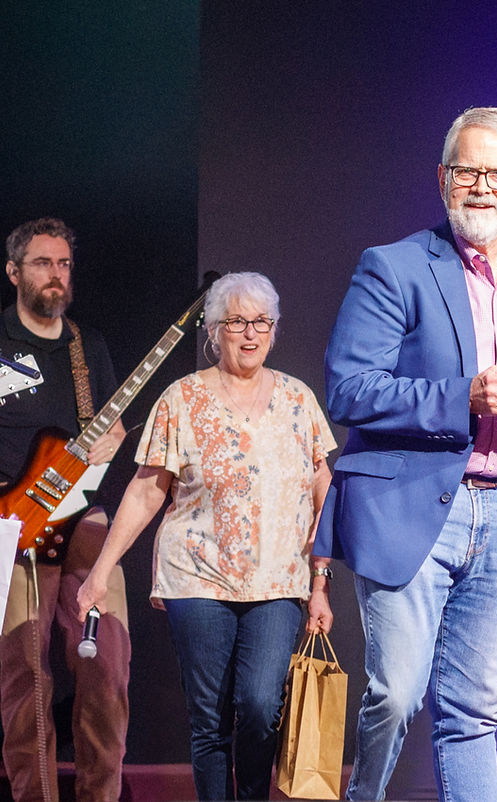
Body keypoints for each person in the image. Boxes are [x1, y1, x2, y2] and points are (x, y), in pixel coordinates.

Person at [313, 106, 497, 802]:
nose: (481, 187)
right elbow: (348, 388)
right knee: (398, 694)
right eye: (467, 171)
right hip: (408, 506)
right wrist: (462, 397)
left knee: (473, 712)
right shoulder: (395, 266)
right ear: (442, 178)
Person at [76, 272, 336, 801]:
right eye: (236, 321)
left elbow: (321, 487)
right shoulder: (181, 398)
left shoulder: (298, 399)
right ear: (213, 332)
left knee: (260, 706)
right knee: (210, 718)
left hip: (278, 581)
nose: (250, 333)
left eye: (262, 321)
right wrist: (100, 572)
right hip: (196, 576)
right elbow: (146, 491)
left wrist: (320, 582)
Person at [0, 217, 130, 802]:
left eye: (64, 264)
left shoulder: (86, 347)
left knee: (108, 665)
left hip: (83, 517)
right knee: (24, 675)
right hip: (10, 520)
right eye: (42, 263)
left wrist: (114, 437)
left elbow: (111, 425)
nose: (56, 274)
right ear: (13, 272)